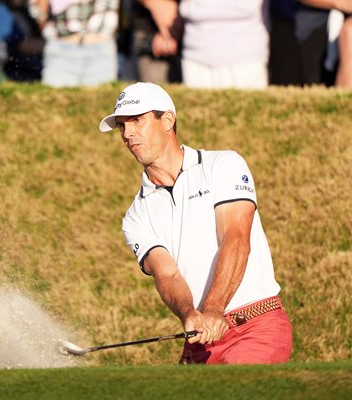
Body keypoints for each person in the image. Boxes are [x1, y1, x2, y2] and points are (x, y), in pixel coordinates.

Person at [98, 82, 292, 364]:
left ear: (167, 120)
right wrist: (189, 313)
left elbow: (236, 239)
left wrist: (214, 308)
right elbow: (167, 274)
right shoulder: (135, 215)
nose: (128, 134)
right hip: (201, 339)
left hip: (255, 326)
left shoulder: (223, 165)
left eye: (137, 120)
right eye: (122, 126)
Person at [28, 0, 120, 87]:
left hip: (102, 51)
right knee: (55, 100)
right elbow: (37, 10)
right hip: (61, 50)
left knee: (103, 101)